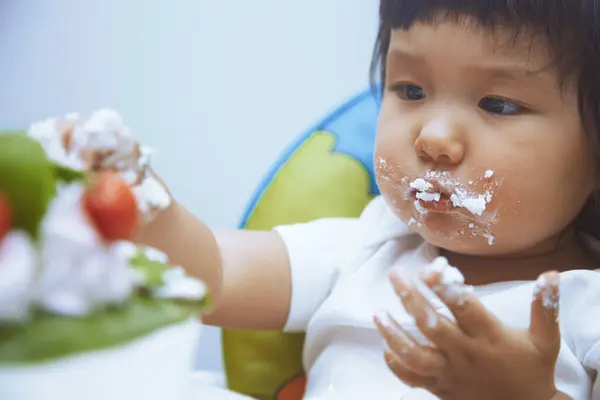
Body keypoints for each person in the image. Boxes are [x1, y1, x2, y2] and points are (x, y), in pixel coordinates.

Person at [135, 1, 600, 399]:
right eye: (411, 91)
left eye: (497, 104)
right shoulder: (366, 246)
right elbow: (209, 271)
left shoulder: (589, 310)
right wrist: (137, 201)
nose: (434, 137)